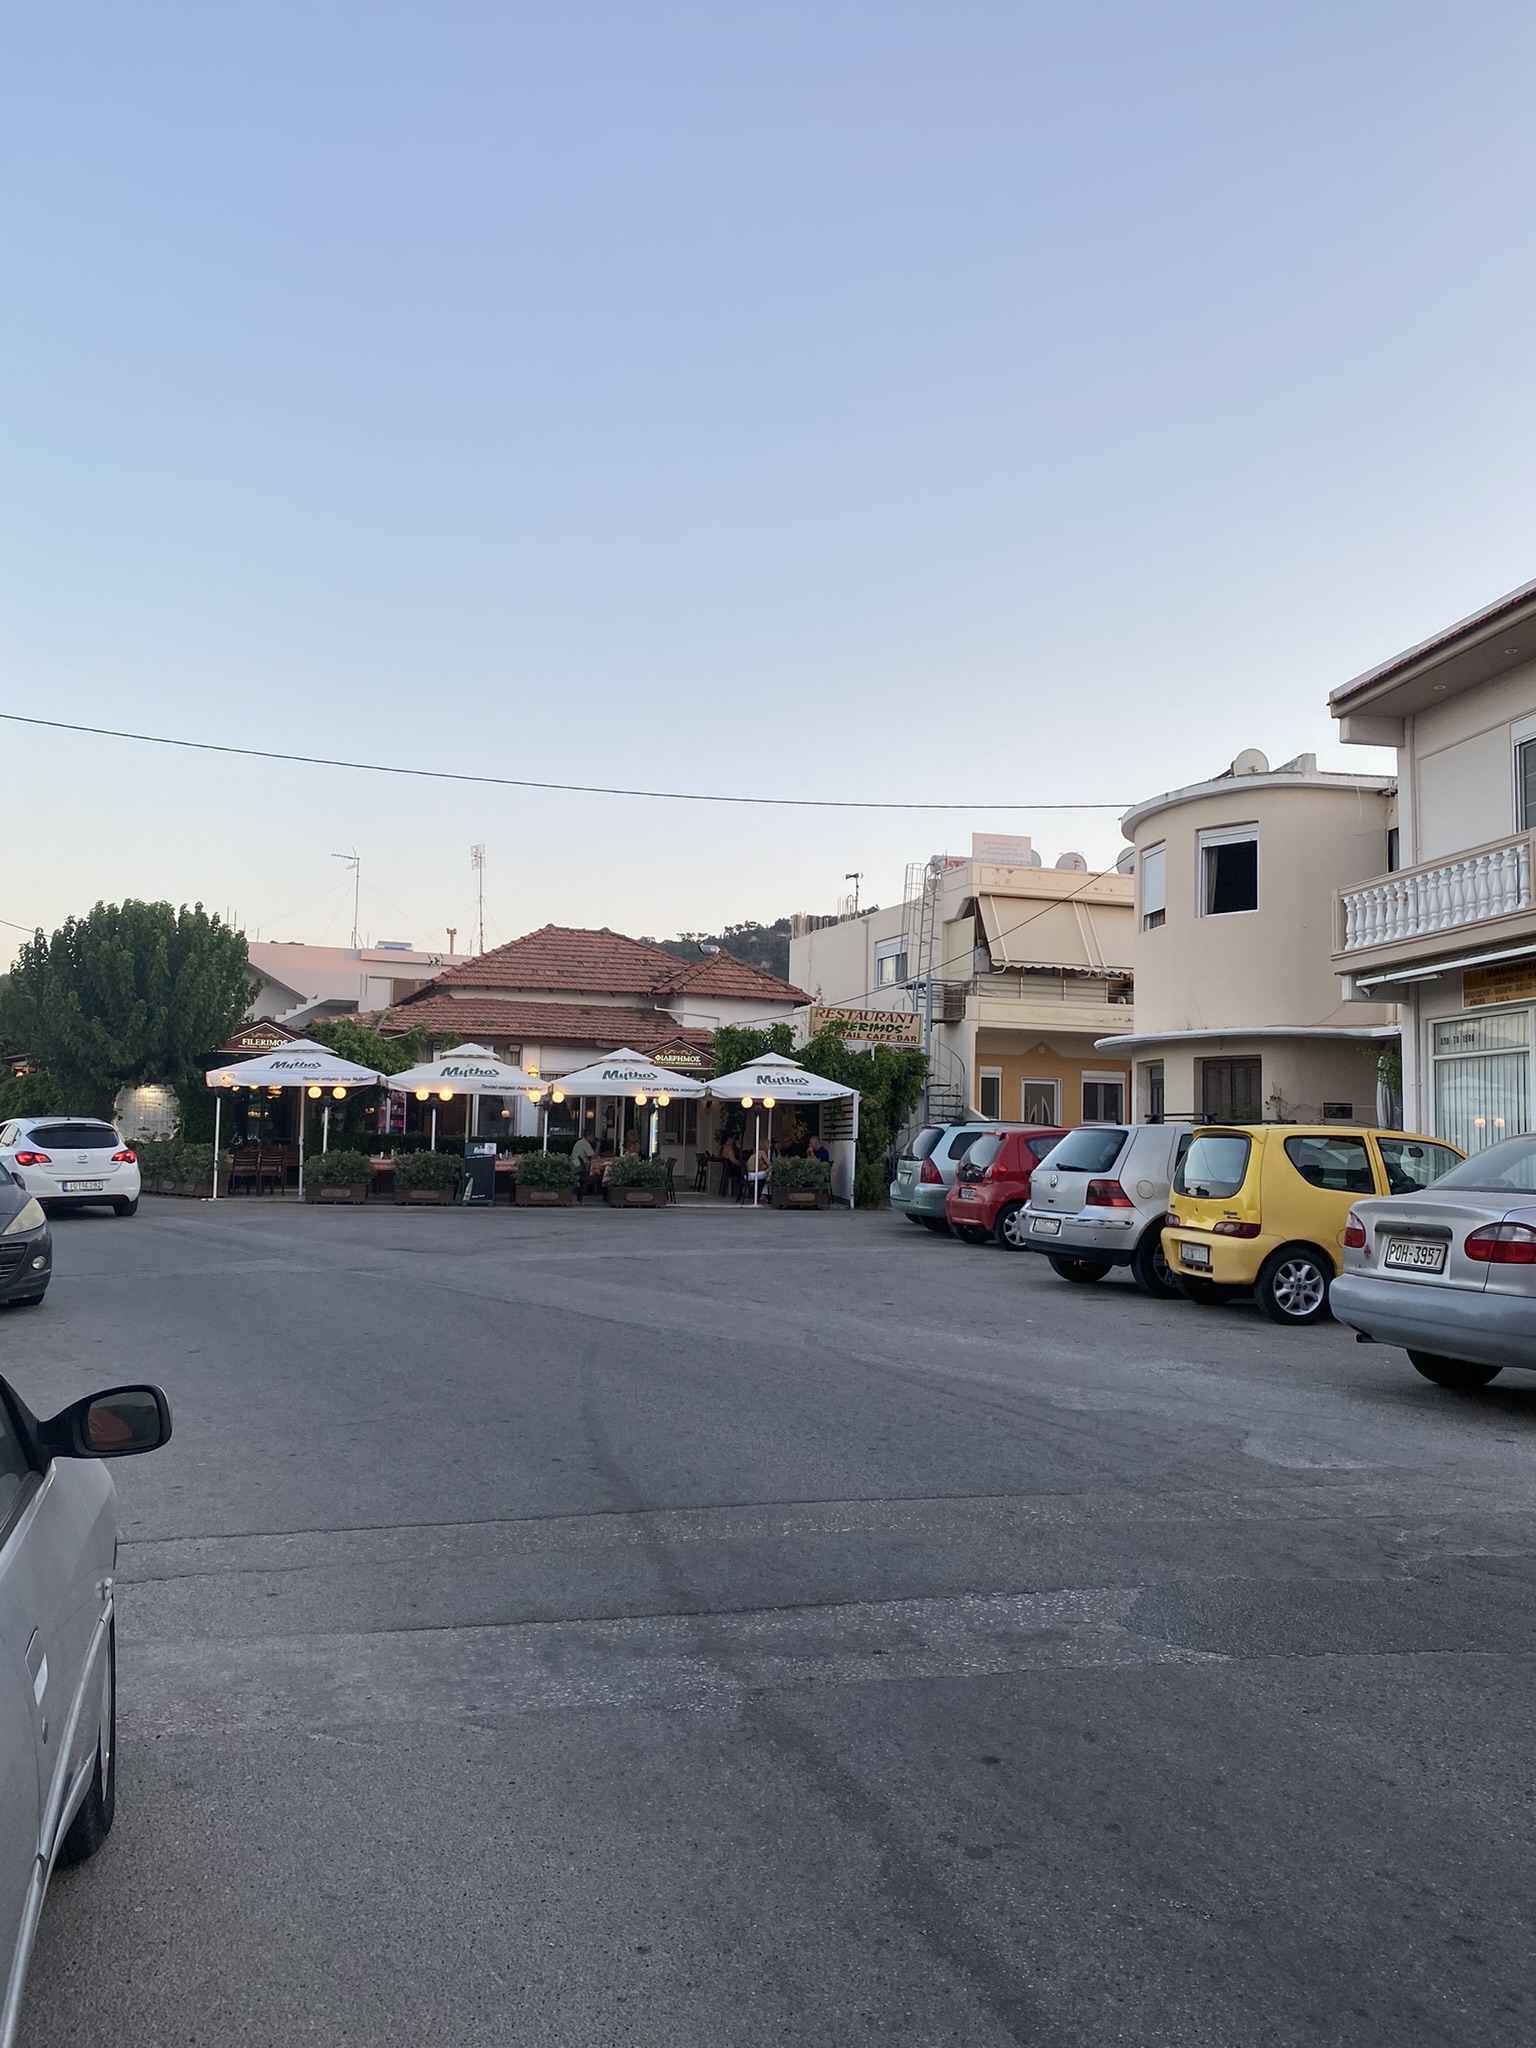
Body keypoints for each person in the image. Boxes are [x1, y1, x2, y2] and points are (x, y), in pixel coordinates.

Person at [570, 1131, 594, 1201]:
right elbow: (593, 1156)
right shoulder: (585, 1143)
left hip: (575, 1164)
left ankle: (585, 1189)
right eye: (592, 1137)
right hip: (579, 1165)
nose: (593, 1139)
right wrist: (598, 1146)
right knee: (589, 1174)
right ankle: (587, 1189)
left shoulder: (580, 1142)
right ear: (588, 1136)